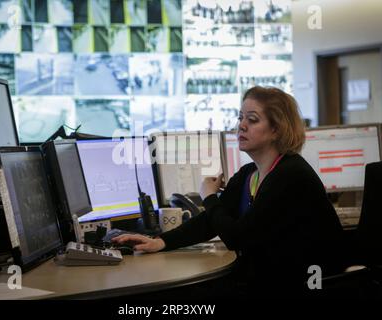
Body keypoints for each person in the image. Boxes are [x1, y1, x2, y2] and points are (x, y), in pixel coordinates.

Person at [113, 86, 346, 298]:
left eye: (252, 120)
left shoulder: (291, 175)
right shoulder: (249, 174)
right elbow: (210, 222)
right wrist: (160, 241)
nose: (241, 125)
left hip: (302, 284)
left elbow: (237, 237)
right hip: (272, 277)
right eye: (240, 117)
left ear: (276, 130)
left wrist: (210, 196)